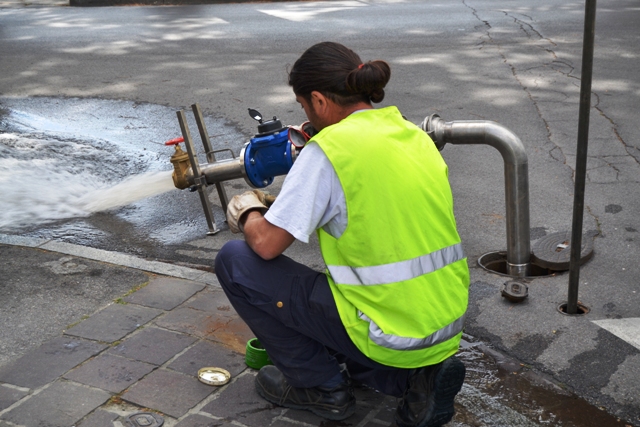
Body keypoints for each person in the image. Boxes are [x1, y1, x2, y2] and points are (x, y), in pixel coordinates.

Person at [215, 41, 470, 427]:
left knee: (236, 261)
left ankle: (320, 387)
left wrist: (248, 210)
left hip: (386, 329)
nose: (307, 120)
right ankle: (416, 380)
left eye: (303, 107)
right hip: (442, 325)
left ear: (318, 100)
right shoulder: (412, 135)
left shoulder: (330, 151)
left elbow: (266, 244)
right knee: (346, 311)